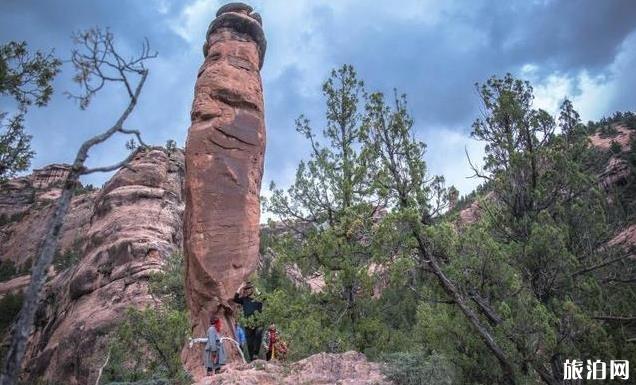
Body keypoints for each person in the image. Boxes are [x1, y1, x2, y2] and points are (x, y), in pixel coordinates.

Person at [232, 281, 263, 361]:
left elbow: (263, 298)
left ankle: (256, 353)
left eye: (249, 289)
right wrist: (240, 288)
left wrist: (255, 288)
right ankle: (252, 359)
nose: (247, 290)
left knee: (259, 332)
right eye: (246, 289)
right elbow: (235, 299)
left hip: (257, 322)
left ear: (252, 290)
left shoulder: (258, 300)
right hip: (248, 323)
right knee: (249, 343)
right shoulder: (245, 300)